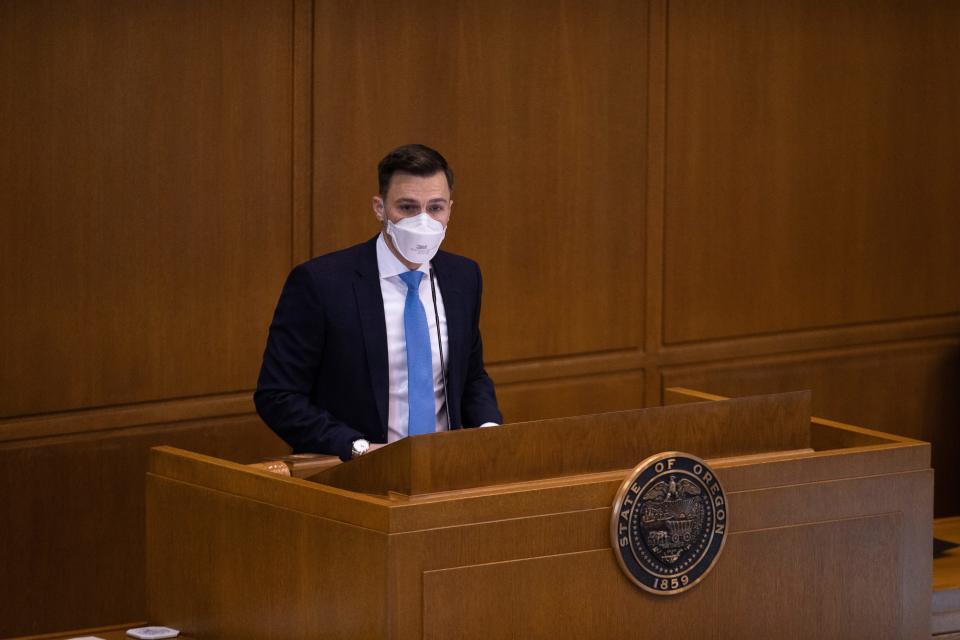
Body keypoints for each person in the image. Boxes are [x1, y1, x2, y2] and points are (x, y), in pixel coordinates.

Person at [254, 144, 502, 461]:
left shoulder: (463, 277)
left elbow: (470, 375)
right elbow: (278, 395)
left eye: (435, 208)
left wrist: (489, 430)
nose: (423, 222)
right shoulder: (321, 284)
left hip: (445, 470)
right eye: (408, 208)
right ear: (379, 207)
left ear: (450, 209)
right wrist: (357, 448)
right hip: (357, 470)